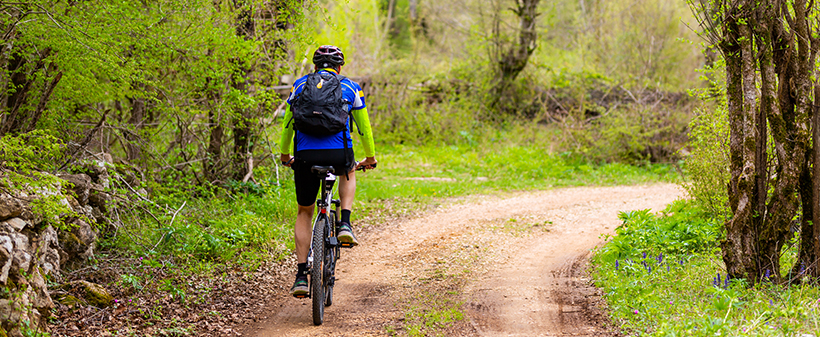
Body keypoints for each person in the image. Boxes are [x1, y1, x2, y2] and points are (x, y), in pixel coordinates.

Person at [280, 45, 377, 297]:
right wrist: (370, 157)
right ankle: (344, 223)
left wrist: (284, 155)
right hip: (338, 155)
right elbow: (364, 127)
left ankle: (301, 275)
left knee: (304, 211)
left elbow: (288, 125)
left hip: (304, 157)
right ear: (339, 68)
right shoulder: (351, 88)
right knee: (350, 171)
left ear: (314, 67)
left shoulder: (299, 86)